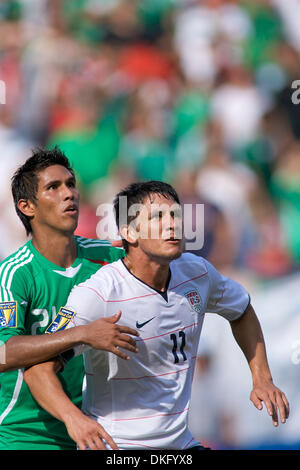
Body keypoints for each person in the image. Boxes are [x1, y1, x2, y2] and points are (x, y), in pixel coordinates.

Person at [24, 180, 289, 451]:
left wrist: (262, 379)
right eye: (157, 217)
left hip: (181, 444)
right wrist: (74, 419)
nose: (171, 224)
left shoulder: (197, 273)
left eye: (175, 214)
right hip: (118, 446)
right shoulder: (98, 294)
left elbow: (242, 310)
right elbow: (37, 368)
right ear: (129, 233)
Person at [0, 147, 139, 450]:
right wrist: (83, 334)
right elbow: (3, 353)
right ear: (27, 207)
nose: (69, 194)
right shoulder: (14, 274)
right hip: (26, 434)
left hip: (98, 429)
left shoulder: (109, 256)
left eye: (71, 184)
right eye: (54, 187)